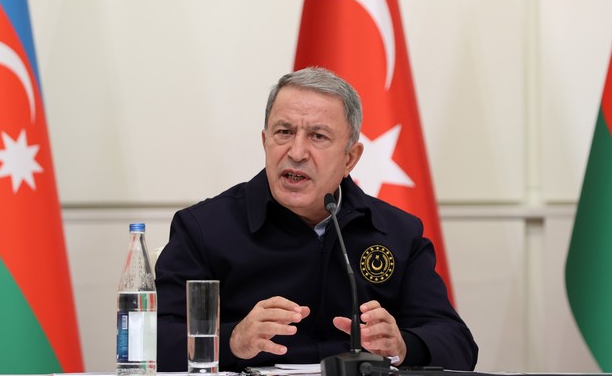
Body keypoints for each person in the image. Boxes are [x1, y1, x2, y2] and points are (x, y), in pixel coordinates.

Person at [156, 67, 478, 372]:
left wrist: (403, 346)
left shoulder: (397, 233)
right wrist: (232, 340)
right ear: (265, 141)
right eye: (284, 132)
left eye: (318, 136)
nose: (296, 152)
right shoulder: (204, 229)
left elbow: (458, 344)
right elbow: (153, 341)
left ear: (350, 158)